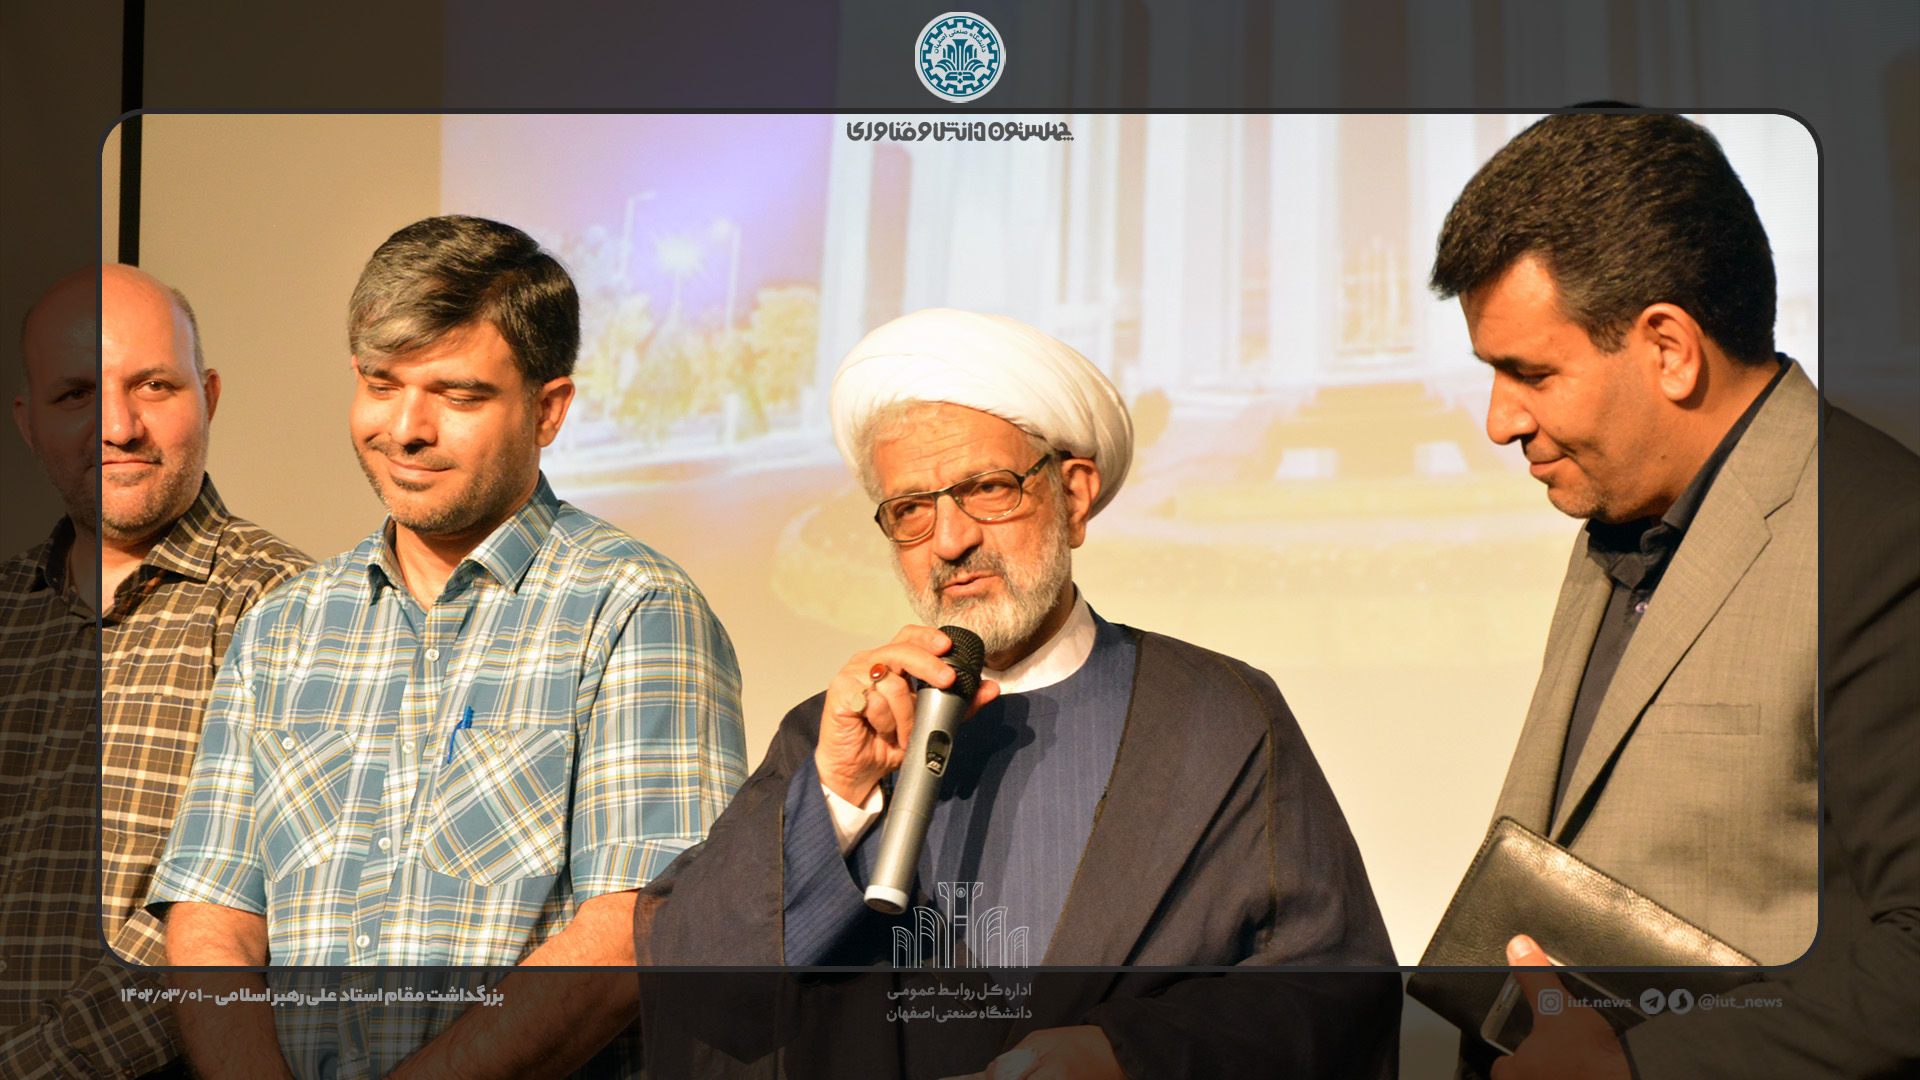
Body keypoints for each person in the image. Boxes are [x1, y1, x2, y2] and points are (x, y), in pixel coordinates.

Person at [639, 308, 1399, 1079]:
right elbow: (698, 994)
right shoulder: (834, 734)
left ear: (1074, 496)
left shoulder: (1218, 715)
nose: (950, 540)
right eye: (911, 510)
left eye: (986, 489)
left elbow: (1333, 991)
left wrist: (1127, 1056)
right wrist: (835, 798)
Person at [147, 216, 749, 1079]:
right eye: (381, 383)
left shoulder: (634, 609)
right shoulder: (283, 626)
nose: (406, 427)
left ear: (548, 410)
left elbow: (631, 933)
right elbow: (213, 914)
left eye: (458, 395)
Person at [1418, 112, 1890, 1079]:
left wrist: (1639, 1066)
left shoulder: (1882, 540)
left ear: (1669, 347)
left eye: (1530, 372)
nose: (1500, 420)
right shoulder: (1621, 515)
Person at [0, 265, 309, 1078]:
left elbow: (228, 925)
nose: (118, 426)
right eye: (75, 395)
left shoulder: (294, 610)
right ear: (28, 423)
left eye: (154, 385)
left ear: (209, 395)